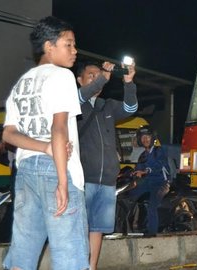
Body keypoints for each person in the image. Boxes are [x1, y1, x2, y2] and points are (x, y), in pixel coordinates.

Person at [2, 16, 89, 269]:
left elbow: (8, 134)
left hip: (26, 171)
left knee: (23, 252)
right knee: (69, 255)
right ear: (49, 46)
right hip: (57, 169)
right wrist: (62, 180)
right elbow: (58, 127)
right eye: (69, 44)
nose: (75, 51)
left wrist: (43, 147)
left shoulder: (21, 84)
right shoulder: (62, 77)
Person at [76, 60, 137, 269]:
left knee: (97, 228)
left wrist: (128, 82)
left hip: (107, 181)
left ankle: (91, 267)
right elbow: (81, 95)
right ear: (79, 80)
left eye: (98, 76)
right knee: (79, 227)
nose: (96, 79)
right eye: (91, 75)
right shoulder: (74, 104)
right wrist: (103, 76)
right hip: (83, 180)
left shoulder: (107, 105)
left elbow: (131, 107)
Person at [128, 125, 171, 236]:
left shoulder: (159, 151)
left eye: (148, 137)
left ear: (152, 138)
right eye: (143, 137)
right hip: (148, 183)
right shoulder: (143, 155)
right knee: (130, 195)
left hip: (161, 183)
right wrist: (132, 173)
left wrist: (146, 171)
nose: (145, 139)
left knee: (152, 206)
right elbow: (138, 169)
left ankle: (152, 234)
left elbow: (159, 165)